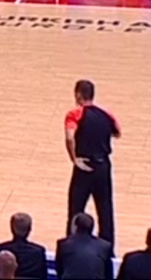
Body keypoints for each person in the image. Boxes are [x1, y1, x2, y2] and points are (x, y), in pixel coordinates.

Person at [65, 80, 120, 245]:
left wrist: (74, 158)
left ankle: (72, 246)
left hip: (84, 166)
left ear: (78, 95)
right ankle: (108, 249)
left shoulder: (75, 114)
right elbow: (117, 132)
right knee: (105, 210)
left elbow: (69, 137)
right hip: (103, 166)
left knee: (76, 209)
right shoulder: (106, 114)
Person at [0, 213, 48, 279]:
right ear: (29, 229)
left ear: (11, 228)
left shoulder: (0, 250)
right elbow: (43, 277)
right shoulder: (39, 252)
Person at [55, 213, 115, 280]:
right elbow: (109, 275)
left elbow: (59, 271)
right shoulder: (105, 246)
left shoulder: (63, 245)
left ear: (75, 227)